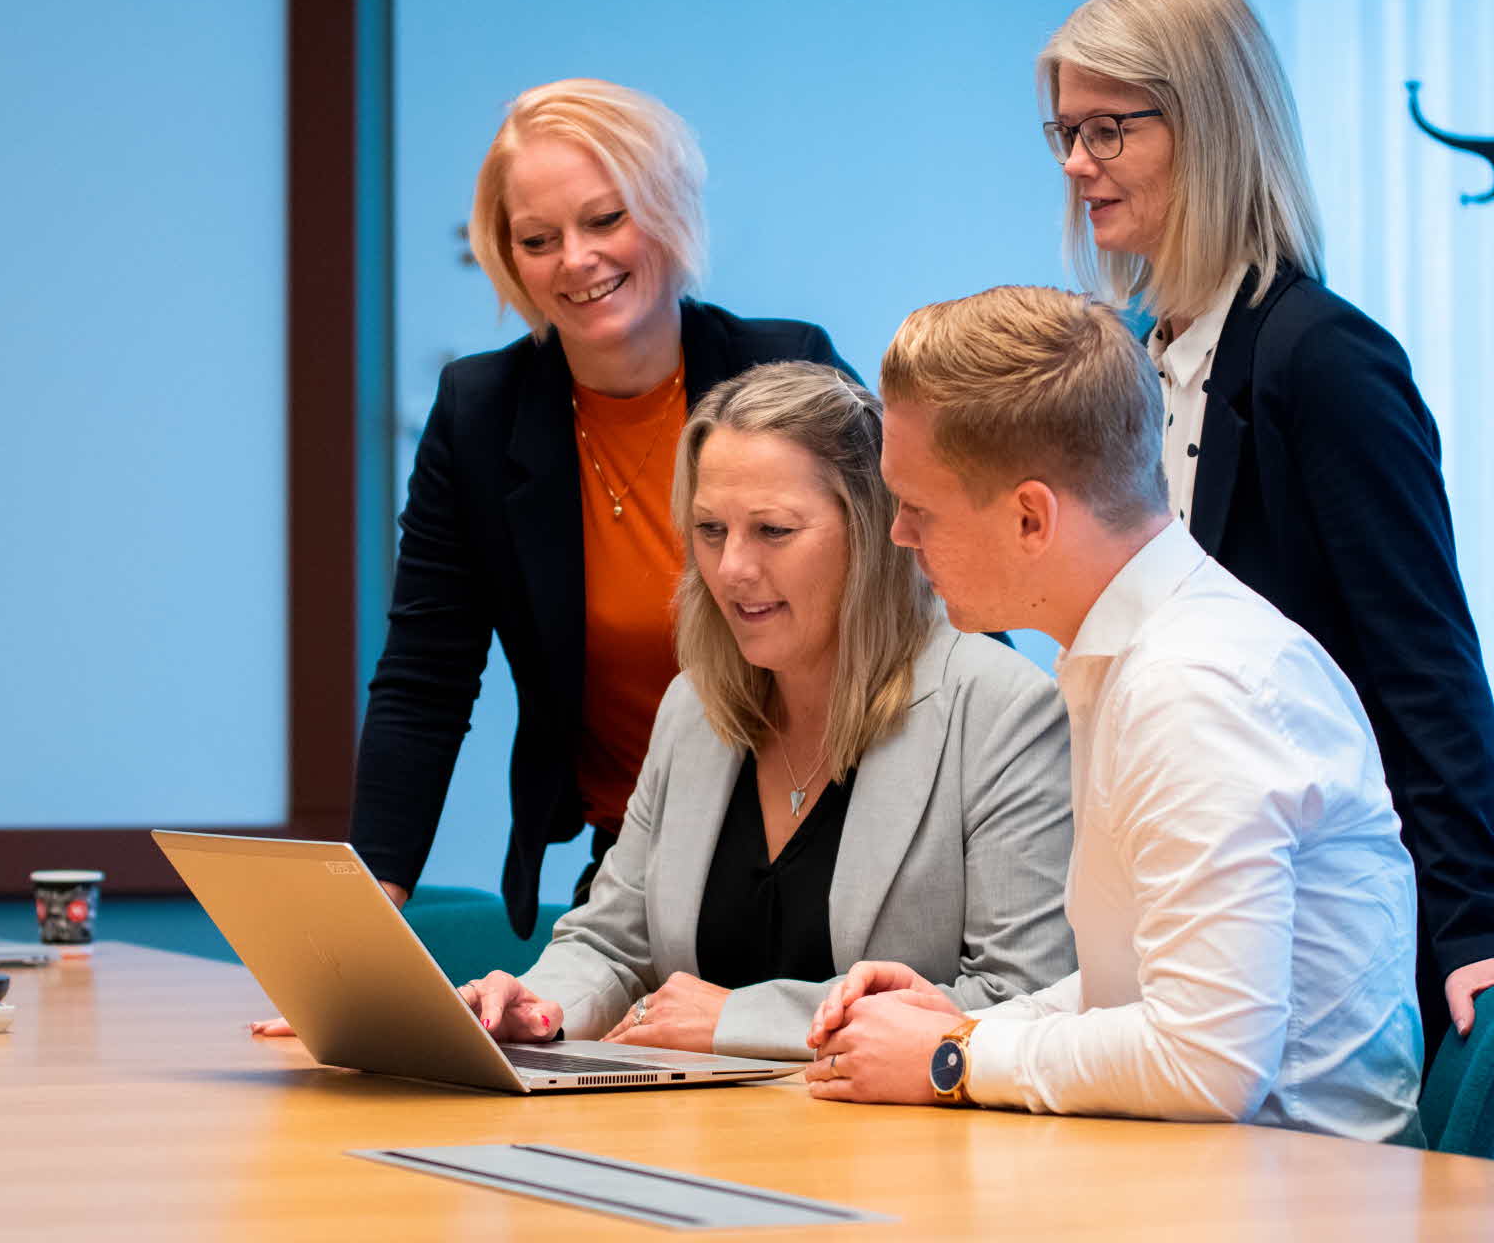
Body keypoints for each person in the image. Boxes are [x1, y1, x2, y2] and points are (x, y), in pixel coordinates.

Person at [1032, 0, 1494, 1052]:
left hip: (1364, 934)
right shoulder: (1143, 361)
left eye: (1109, 130)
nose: (1078, 163)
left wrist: (1478, 927)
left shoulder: (1323, 359)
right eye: (1066, 131)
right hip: (1228, 926)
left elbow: (1425, 662)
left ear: (1209, 124)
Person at [806, 286, 1423, 1143]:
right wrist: (961, 1023)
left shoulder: (1193, 688)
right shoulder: (1139, 653)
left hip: (1296, 1201)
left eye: (919, 507)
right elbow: (1136, 989)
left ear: (1031, 517)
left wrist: (955, 1054)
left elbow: (1207, 1062)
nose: (900, 536)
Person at [451, 360, 1076, 1060]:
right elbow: (612, 943)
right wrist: (541, 1006)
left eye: (773, 531)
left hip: (900, 1156)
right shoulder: (693, 705)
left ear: (872, 532)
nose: (731, 569)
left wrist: (742, 1019)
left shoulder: (1004, 709)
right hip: (694, 1148)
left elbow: (1022, 998)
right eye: (711, 530)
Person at [349, 79, 858, 940]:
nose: (575, 260)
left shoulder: (785, 369)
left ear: (667, 213)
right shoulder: (480, 413)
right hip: (636, 856)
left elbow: (925, 616)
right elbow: (424, 683)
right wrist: (353, 929)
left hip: (832, 838)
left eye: (605, 220)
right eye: (537, 240)